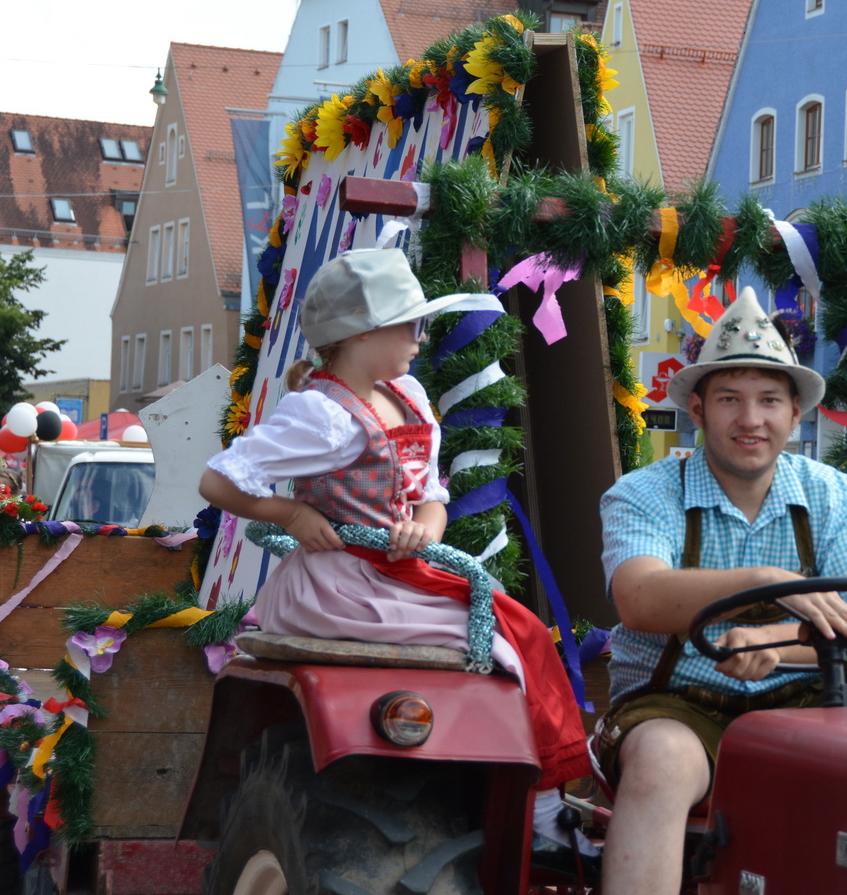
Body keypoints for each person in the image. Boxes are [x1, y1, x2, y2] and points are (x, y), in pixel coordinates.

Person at [198, 249, 591, 838]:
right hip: (340, 585)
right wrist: (292, 513)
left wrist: (422, 530)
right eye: (410, 325)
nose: (419, 337)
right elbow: (218, 481)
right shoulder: (324, 414)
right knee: (508, 643)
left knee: (522, 629)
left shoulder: (407, 395)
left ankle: (521, 790)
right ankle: (538, 807)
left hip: (392, 571)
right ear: (361, 332)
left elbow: (431, 497)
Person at [597, 286, 847, 895]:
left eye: (769, 400)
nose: (751, 419)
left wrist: (774, 642)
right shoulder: (645, 493)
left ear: (796, 412)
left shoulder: (833, 495)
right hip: (675, 705)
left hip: (803, 709)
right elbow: (639, 597)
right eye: (730, 399)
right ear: (698, 409)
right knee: (663, 759)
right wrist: (765, 582)